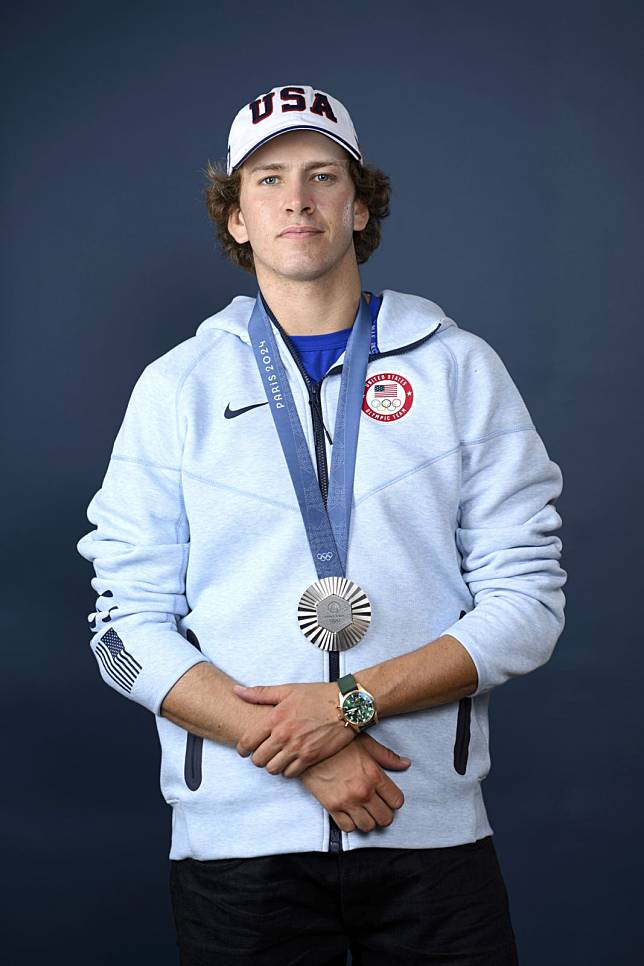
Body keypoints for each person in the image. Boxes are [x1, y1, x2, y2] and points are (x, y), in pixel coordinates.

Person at [76, 83, 567, 965]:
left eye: (322, 175)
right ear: (236, 218)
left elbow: (528, 603)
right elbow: (123, 630)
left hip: (430, 838)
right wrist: (302, 750)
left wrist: (350, 701)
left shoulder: (459, 370)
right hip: (238, 853)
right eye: (265, 180)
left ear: (362, 202)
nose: (295, 199)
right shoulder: (177, 388)